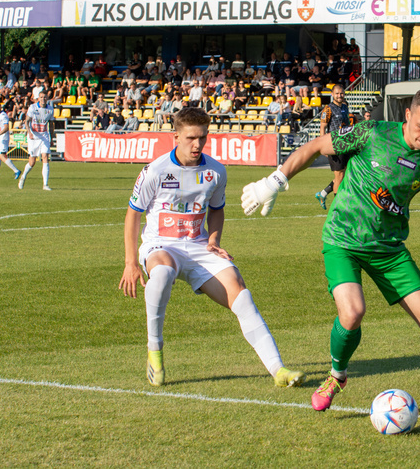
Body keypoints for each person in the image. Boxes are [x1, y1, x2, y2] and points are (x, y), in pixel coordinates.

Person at [240, 87, 420, 421]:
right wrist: (275, 180)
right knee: (353, 312)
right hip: (343, 239)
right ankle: (336, 377)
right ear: (408, 115)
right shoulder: (371, 132)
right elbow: (316, 146)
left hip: (389, 249)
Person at [119, 107, 305, 389]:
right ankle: (154, 351)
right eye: (191, 138)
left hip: (198, 246)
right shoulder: (155, 171)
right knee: (163, 272)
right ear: (176, 136)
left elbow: (217, 210)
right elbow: (133, 214)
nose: (197, 145)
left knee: (241, 294)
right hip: (161, 244)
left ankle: (279, 370)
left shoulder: (216, 171)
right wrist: (130, 262)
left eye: (203, 138)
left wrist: (214, 240)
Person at [315, 84, 352, 210]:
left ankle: (323, 193)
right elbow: (323, 127)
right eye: (337, 93)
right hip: (334, 144)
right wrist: (323, 145)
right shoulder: (328, 108)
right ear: (332, 94)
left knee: (345, 175)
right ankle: (337, 206)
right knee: (339, 176)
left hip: (346, 144)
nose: (339, 95)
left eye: (341, 93)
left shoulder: (345, 106)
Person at [18, 89, 53, 191]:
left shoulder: (50, 109)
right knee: (32, 162)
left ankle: (45, 184)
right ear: (38, 98)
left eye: (45, 97)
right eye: (41, 97)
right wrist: (29, 132)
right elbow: (27, 121)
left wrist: (51, 137)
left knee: (45, 157)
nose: (43, 99)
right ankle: (23, 176)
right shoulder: (33, 107)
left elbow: (51, 124)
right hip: (34, 136)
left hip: (44, 136)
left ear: (47, 98)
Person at [0, 101, 21, 180]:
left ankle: (16, 170)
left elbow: (6, 127)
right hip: (0, 138)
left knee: (2, 156)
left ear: (0, 108)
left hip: (3, 138)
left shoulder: (3, 116)